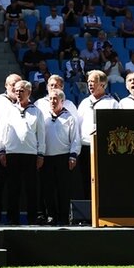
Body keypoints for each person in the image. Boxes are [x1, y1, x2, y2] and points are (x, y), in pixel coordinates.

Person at [0, 80, 45, 225]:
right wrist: (2, 151)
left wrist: (40, 153)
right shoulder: (9, 110)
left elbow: (40, 134)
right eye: (16, 90)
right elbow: (3, 132)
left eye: (21, 90)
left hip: (30, 154)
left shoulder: (36, 111)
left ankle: (32, 218)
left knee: (31, 188)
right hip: (12, 154)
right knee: (13, 188)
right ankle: (12, 219)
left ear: (29, 92)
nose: (18, 93)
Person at [75, 70, 119, 201]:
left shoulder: (112, 103)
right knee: (87, 180)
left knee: (103, 180)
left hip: (103, 148)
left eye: (93, 81)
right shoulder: (83, 103)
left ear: (103, 84)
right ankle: (88, 212)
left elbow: (116, 128)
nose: (89, 84)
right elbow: (78, 126)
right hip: (85, 148)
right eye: (88, 81)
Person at [40, 89, 81, 225]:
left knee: (63, 189)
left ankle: (64, 217)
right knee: (48, 189)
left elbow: (75, 139)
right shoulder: (44, 117)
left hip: (63, 157)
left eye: (55, 99)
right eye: (50, 99)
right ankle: (51, 215)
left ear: (62, 101)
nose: (52, 101)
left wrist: (73, 155)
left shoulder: (69, 117)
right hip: (47, 157)